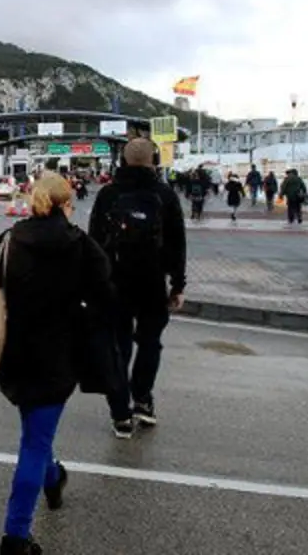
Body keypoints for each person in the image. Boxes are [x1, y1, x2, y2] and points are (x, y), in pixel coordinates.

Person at [0, 172, 119, 555]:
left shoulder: (8, 241)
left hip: (14, 352)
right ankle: (15, 536)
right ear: (65, 203)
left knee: (35, 432)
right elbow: (106, 300)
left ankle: (54, 476)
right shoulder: (81, 246)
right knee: (34, 441)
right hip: (57, 355)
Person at [89, 138, 187, 439]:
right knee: (150, 341)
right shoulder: (165, 195)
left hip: (114, 283)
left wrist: (94, 284)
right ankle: (142, 399)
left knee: (118, 346)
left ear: (123, 161)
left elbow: (93, 241)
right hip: (152, 282)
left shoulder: (108, 194)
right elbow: (177, 243)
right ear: (153, 161)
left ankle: (120, 413)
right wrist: (177, 284)